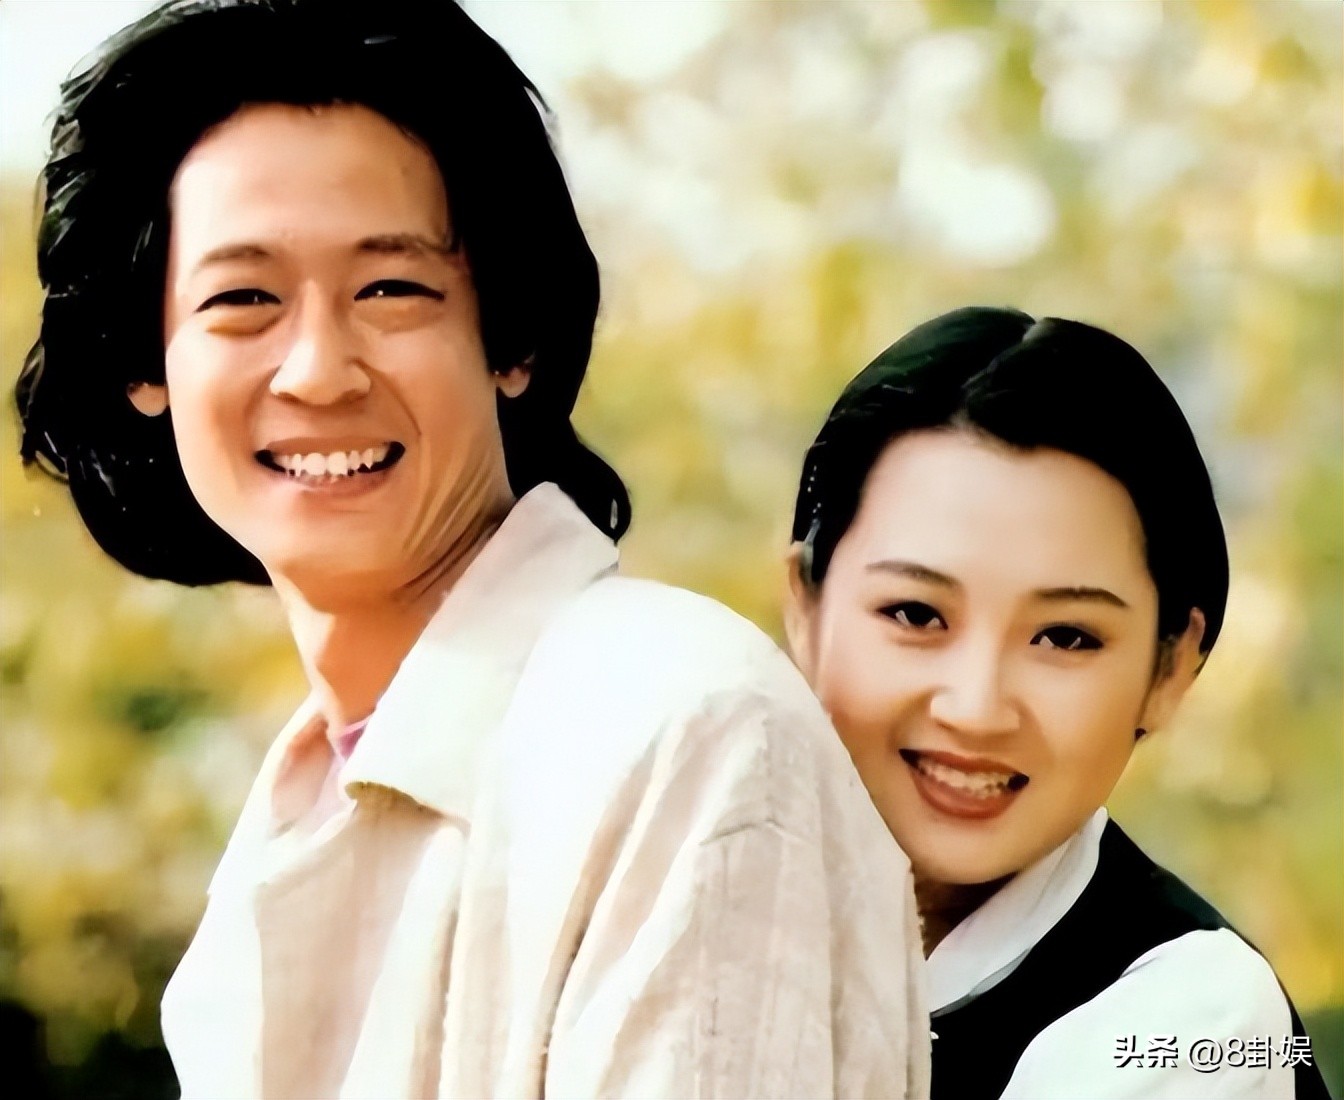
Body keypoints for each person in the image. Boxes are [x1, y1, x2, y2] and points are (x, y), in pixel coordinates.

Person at [15, 2, 928, 1096]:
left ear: (512, 337)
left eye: (391, 289)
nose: (318, 370)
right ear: (144, 363)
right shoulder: (305, 800)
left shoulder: (677, 733)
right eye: (243, 297)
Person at [783, 307, 1331, 1099]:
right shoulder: (701, 901)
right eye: (916, 614)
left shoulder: (1197, 1028)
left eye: (1066, 637)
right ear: (806, 607)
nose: (976, 709)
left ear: (1171, 667)